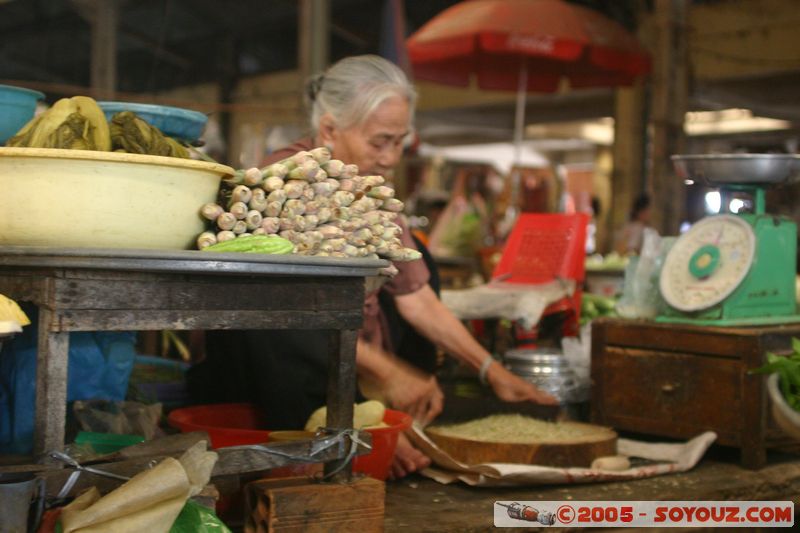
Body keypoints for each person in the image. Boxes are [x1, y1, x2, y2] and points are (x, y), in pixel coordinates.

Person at [190, 55, 556, 479]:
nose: (391, 157)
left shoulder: (368, 190)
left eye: (400, 142)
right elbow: (296, 322)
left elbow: (417, 298)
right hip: (263, 377)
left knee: (418, 261)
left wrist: (491, 370)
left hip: (346, 360)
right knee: (278, 308)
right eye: (380, 142)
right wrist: (386, 380)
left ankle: (369, 419)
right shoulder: (277, 186)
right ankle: (343, 430)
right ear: (330, 129)